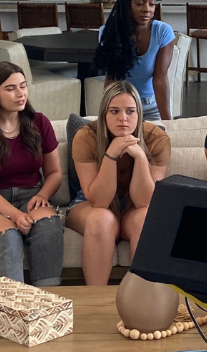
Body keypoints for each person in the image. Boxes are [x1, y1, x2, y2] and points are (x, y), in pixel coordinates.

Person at [0, 62, 65, 287]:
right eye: (10, 88)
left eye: (23, 86)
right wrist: (16, 216)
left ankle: (47, 304)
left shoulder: (39, 123)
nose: (20, 94)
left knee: (48, 226)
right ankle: (12, 309)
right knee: (7, 235)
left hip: (32, 195)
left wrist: (42, 195)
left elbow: (55, 173)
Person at [68, 80, 171, 286]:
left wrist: (141, 158)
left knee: (146, 219)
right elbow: (98, 201)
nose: (123, 118)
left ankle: (144, 304)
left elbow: (145, 201)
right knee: (101, 219)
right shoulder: (86, 137)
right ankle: (97, 302)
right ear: (104, 114)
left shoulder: (157, 139)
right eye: (114, 111)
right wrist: (111, 155)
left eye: (130, 111)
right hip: (91, 203)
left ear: (139, 114)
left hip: (135, 206)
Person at [93, 0, 175, 121]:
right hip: (123, 106)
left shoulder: (162, 32)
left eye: (152, 4)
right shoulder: (109, 32)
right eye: (139, 3)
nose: (147, 9)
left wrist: (168, 124)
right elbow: (112, 78)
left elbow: (160, 80)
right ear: (126, 4)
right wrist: (106, 114)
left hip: (152, 106)